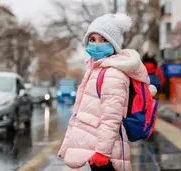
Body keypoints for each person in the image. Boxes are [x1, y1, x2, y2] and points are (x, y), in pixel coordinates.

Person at [58, 13, 156, 171]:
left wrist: (102, 152)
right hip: (95, 146)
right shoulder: (95, 68)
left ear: (114, 44)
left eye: (104, 40)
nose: (97, 44)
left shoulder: (112, 73)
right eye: (92, 39)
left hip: (105, 152)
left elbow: (111, 118)